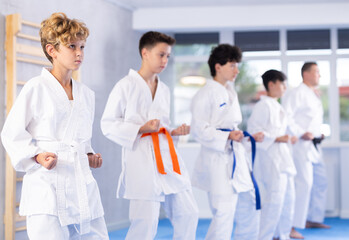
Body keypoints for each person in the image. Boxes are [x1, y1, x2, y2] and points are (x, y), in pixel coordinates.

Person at [1, 13, 108, 239]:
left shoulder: (86, 95)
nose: (79, 52)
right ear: (52, 50)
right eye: (71, 46)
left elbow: (81, 138)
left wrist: (89, 155)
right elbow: (11, 133)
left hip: (81, 184)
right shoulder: (36, 88)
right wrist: (37, 156)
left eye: (82, 46)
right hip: (47, 185)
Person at [100, 31, 198, 240]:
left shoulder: (163, 89)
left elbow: (163, 125)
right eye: (161, 55)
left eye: (168, 56)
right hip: (141, 160)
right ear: (145, 53)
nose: (165, 60)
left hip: (167, 158)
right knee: (146, 224)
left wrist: (174, 132)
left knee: (188, 213)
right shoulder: (125, 85)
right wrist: (141, 128)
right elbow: (107, 124)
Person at [190, 44, 264, 240]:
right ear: (218, 67)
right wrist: (227, 136)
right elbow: (199, 130)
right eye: (232, 65)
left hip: (235, 155)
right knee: (224, 212)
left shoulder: (230, 91)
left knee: (248, 204)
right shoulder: (205, 94)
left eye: (236, 65)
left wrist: (247, 137)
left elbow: (232, 126)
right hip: (217, 158)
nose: (237, 70)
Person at [248, 70, 297, 240]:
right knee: (274, 201)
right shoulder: (263, 106)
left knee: (288, 199)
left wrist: (288, 137)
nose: (285, 88)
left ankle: (282, 235)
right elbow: (255, 133)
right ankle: (265, 237)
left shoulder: (277, 105)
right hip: (271, 158)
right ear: (271, 84)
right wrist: (277, 138)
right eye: (282, 84)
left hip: (283, 158)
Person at [282, 62, 329, 239]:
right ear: (306, 74)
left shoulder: (313, 94)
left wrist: (318, 133)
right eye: (316, 72)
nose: (319, 75)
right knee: (304, 184)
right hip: (301, 145)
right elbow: (287, 117)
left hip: (315, 145)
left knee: (320, 181)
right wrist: (301, 133)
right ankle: (291, 226)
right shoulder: (297, 93)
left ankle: (313, 218)